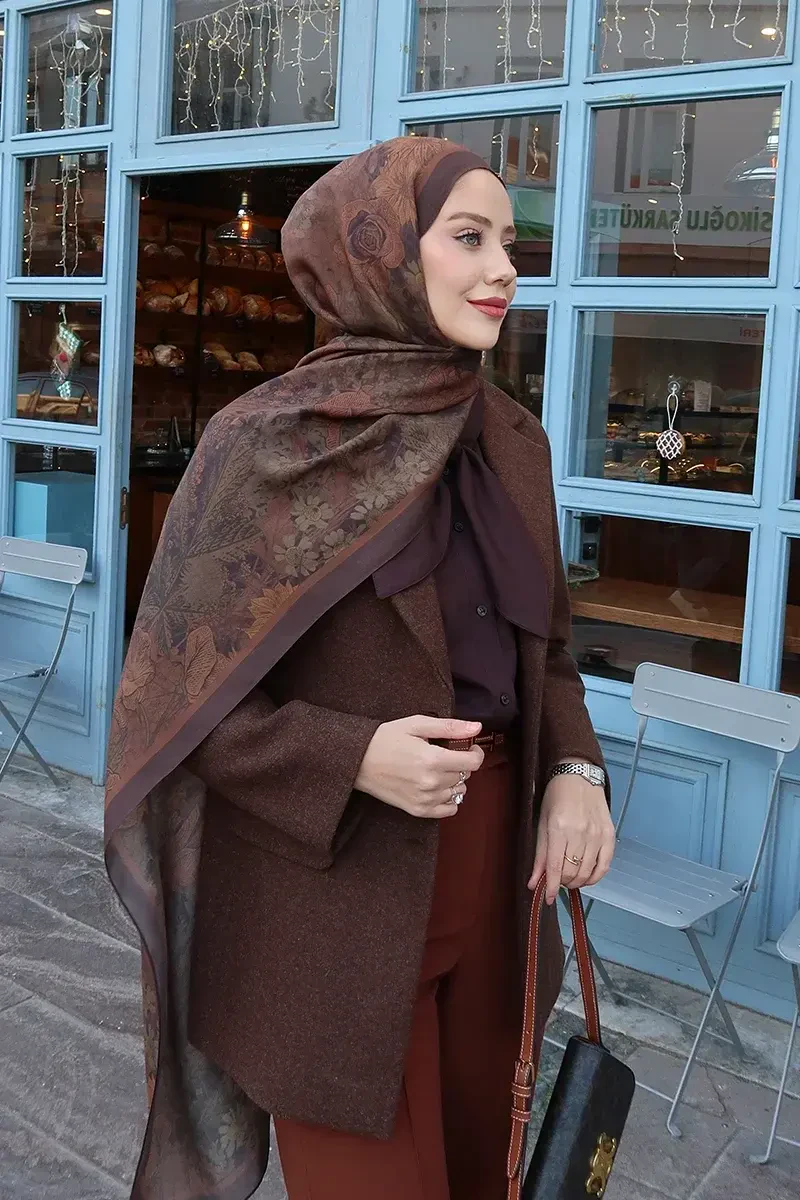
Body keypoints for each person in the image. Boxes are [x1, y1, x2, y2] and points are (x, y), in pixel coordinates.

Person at [105, 137, 615, 1200]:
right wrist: (352, 758)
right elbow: (172, 703)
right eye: (467, 238)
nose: (503, 270)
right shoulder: (263, 443)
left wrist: (576, 771)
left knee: (481, 1174)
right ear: (378, 255)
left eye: (508, 243)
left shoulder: (509, 439)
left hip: (496, 883)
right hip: (324, 908)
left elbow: (549, 652)